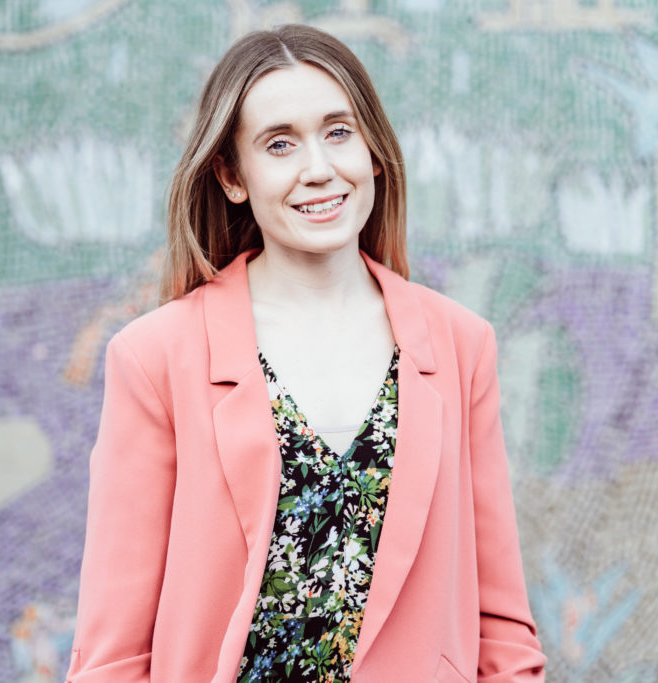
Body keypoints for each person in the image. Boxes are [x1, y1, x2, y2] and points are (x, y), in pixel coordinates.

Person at [64, 24, 545, 683]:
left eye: (338, 131)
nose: (318, 167)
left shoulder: (462, 345)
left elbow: (503, 629)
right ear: (232, 175)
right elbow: (113, 654)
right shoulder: (154, 359)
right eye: (280, 143)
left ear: (374, 150)